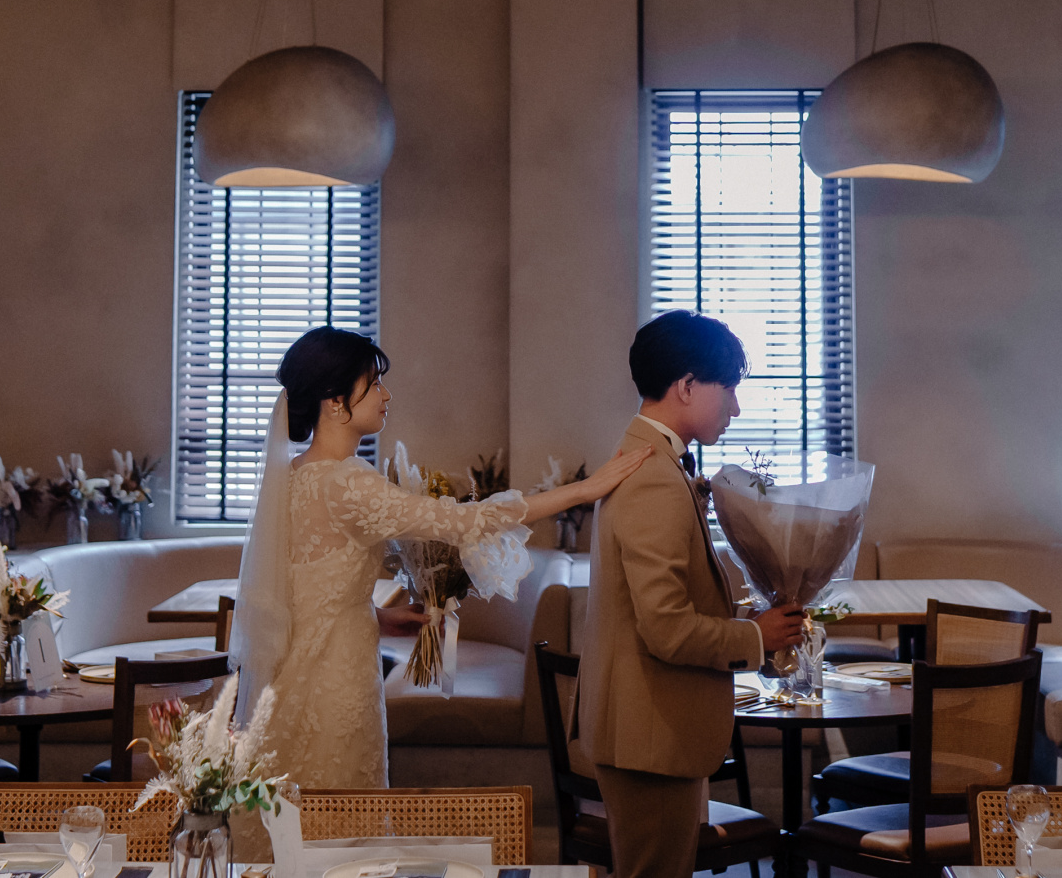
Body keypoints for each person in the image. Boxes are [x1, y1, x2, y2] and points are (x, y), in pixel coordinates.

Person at [232, 326, 649, 792]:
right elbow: (465, 521)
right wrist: (584, 490)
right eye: (374, 383)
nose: (387, 395)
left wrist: (378, 617)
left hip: (293, 677)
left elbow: (303, 592)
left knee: (295, 813)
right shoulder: (348, 482)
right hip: (334, 681)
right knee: (340, 810)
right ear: (335, 401)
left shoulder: (295, 476)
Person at [579, 310, 807, 878]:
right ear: (686, 386)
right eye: (728, 388)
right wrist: (755, 636)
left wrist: (747, 616)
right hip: (650, 732)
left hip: (648, 728)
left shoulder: (653, 463)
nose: (736, 407)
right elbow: (666, 628)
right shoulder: (654, 477)